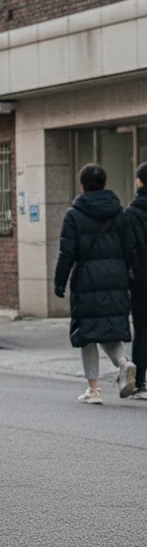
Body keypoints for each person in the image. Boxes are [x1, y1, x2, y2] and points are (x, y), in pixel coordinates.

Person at [54, 162, 137, 404]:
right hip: (115, 277)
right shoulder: (118, 213)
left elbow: (66, 253)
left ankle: (94, 389)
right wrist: (124, 272)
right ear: (104, 183)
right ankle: (124, 363)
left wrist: (59, 283)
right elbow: (130, 247)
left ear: (81, 185)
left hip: (87, 278)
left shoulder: (74, 215)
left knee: (87, 332)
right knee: (109, 326)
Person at [124, 160, 147, 400]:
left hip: (141, 281)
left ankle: (140, 383)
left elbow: (128, 250)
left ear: (139, 182)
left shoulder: (130, 213)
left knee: (142, 332)